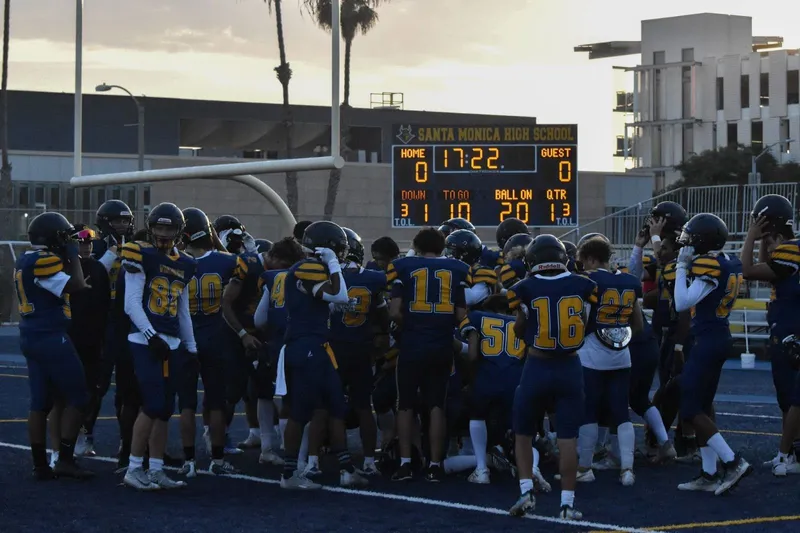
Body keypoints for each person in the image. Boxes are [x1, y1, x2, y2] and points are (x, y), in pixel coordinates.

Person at [507, 234, 597, 519]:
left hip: (537, 366)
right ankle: (567, 504)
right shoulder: (584, 285)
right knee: (567, 438)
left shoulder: (522, 288)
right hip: (570, 367)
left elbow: (520, 329)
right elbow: (585, 322)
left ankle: (525, 492)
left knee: (523, 433)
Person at [278, 221, 368, 489]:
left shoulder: (310, 268)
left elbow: (327, 304)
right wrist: (333, 266)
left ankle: (346, 469)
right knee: (300, 411)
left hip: (318, 347)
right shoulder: (309, 267)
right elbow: (339, 295)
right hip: (305, 347)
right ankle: (289, 474)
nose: (341, 254)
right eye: (338, 250)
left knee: (335, 407)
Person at [120, 203, 198, 491]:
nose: (163, 233)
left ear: (179, 232)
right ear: (151, 229)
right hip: (145, 340)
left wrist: (191, 348)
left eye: (169, 228)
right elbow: (131, 302)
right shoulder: (140, 254)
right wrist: (151, 335)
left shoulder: (187, 264)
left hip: (172, 341)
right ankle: (132, 469)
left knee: (165, 409)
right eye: (159, 227)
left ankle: (155, 470)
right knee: (152, 405)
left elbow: (183, 310)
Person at [673, 213, 751, 495]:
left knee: (691, 409)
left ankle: (732, 462)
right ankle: (709, 473)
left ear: (702, 239)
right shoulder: (728, 261)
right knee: (703, 405)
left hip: (707, 339)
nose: (685, 240)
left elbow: (683, 302)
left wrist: (682, 268)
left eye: (690, 236)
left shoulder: (707, 263)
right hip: (716, 335)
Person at [15, 212, 94, 480]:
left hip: (31, 334)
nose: (68, 240)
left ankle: (39, 464)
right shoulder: (44, 261)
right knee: (79, 397)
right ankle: (66, 460)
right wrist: (73, 256)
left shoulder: (26, 259)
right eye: (64, 236)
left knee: (40, 403)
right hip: (50, 335)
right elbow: (78, 285)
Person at [387, 227, 470, 482]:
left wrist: (411, 325)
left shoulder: (401, 266)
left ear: (417, 246)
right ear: (443, 246)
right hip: (441, 343)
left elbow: (394, 311)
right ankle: (435, 464)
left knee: (405, 404)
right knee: (436, 405)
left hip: (413, 343)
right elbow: (460, 314)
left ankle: (405, 464)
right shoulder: (458, 268)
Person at [575, 236, 644, 487]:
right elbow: (638, 324)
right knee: (621, 413)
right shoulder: (628, 280)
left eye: (583, 261)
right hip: (621, 356)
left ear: (591, 258)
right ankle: (627, 469)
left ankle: (584, 468)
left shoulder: (587, 281)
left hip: (592, 355)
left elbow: (580, 321)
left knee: (589, 411)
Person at [179, 207, 243, 476]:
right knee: (216, 402)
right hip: (215, 337)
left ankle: (189, 461)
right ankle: (217, 459)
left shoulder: (174, 261)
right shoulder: (228, 262)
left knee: (186, 405)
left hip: (184, 338)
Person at [741, 194, 800, 476]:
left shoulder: (791, 251)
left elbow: (749, 271)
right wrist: (764, 241)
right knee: (787, 398)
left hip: (790, 332)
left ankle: (786, 453)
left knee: (792, 398)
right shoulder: (789, 250)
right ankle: (791, 452)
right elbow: (768, 274)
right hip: (787, 328)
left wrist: (751, 237)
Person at [328, 228, 389, 475]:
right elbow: (383, 318)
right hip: (362, 350)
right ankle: (368, 461)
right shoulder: (375, 279)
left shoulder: (327, 276)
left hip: (333, 350)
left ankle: (329, 459)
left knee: (330, 406)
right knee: (364, 406)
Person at [254, 237, 307, 465]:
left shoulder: (271, 278)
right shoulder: (306, 275)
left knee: (267, 394)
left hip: (275, 345)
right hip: (300, 345)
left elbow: (259, 319)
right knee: (294, 401)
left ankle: (268, 447)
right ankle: (293, 453)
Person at [67, 224, 110, 458]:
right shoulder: (63, 268)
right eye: (81, 242)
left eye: (88, 243)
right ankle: (64, 441)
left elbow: (105, 306)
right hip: (69, 339)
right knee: (66, 394)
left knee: (94, 392)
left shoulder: (98, 269)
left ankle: (86, 433)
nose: (86, 247)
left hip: (93, 341)